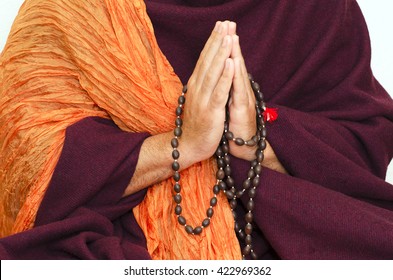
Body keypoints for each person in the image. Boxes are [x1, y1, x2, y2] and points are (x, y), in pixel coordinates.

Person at [0, 0, 392, 260]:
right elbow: (24, 165)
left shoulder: (314, 8)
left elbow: (363, 142)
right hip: (118, 235)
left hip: (281, 231)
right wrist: (183, 146)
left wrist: (256, 140)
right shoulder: (68, 9)